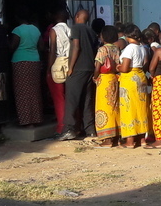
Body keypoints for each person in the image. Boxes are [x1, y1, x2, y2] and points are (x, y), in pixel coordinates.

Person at [59, 8, 97, 140]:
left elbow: (76, 46)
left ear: (77, 16)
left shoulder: (75, 28)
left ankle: (69, 129)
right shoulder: (91, 31)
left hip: (78, 68)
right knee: (87, 101)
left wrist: (71, 67)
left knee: (72, 100)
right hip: (89, 68)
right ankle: (90, 129)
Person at [117, 24, 150, 148]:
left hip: (130, 79)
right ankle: (142, 139)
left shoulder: (130, 48)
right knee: (141, 108)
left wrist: (118, 67)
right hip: (140, 77)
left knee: (128, 108)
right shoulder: (142, 48)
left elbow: (125, 68)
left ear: (127, 35)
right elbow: (145, 64)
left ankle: (130, 140)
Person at [9, 9, 43, 126]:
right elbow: (41, 47)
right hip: (35, 61)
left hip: (20, 62)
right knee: (34, 91)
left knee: (22, 91)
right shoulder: (35, 29)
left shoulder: (17, 30)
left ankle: (26, 120)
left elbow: (12, 46)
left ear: (18, 18)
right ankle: (37, 119)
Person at [93, 25, 121, 147]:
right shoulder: (116, 48)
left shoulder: (102, 49)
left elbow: (98, 67)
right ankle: (116, 135)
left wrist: (95, 77)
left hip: (104, 80)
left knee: (104, 107)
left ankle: (107, 138)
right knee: (114, 106)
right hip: (114, 78)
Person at [46, 9, 71, 136]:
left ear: (57, 16)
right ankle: (72, 125)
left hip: (58, 62)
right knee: (69, 97)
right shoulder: (71, 30)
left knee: (58, 97)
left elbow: (52, 50)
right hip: (70, 63)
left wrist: (48, 69)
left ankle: (61, 127)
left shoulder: (54, 30)